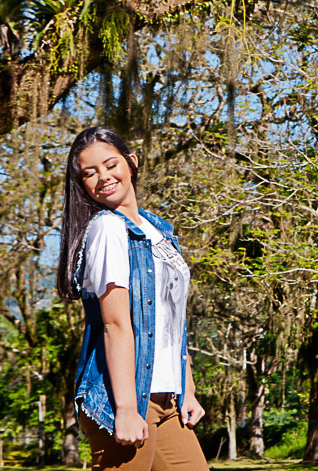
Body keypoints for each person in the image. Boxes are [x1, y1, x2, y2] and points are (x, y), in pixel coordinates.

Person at [55, 126, 207, 471]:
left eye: (111, 165)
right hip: (122, 398)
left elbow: (172, 320)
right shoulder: (108, 229)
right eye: (90, 173)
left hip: (168, 398)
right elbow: (116, 324)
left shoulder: (160, 231)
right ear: (82, 184)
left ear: (131, 163)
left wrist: (187, 388)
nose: (103, 177)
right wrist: (124, 408)